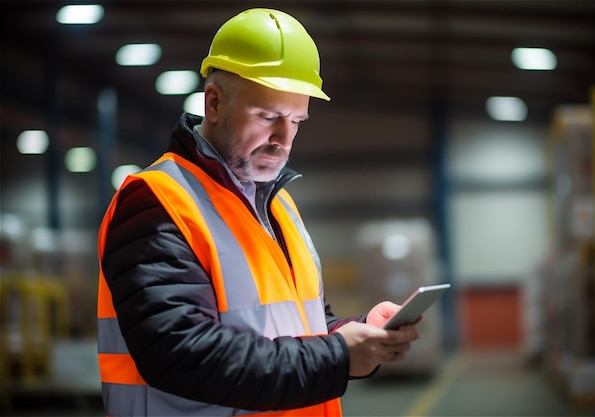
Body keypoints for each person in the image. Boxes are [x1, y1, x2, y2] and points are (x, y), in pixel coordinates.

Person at [97, 8, 420, 417]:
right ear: (213, 103)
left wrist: (356, 332)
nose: (283, 139)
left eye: (297, 120)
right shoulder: (155, 202)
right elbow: (182, 354)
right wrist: (337, 356)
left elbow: (299, 323)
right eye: (269, 117)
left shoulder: (277, 204)